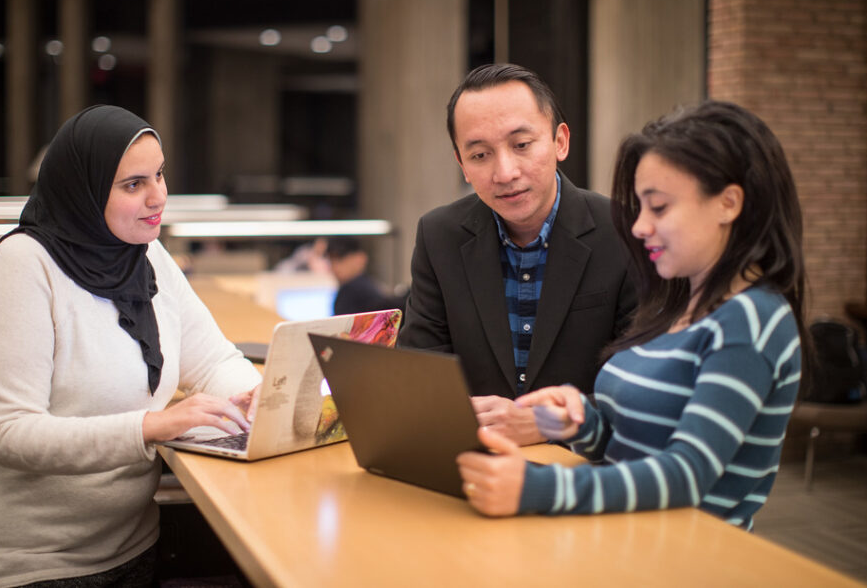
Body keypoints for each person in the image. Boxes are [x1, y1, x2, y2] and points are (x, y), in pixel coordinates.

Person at [0, 105, 263, 587]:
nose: (158, 196)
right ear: (83, 191)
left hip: (131, 546)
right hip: (25, 565)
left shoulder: (146, 255)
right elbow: (8, 432)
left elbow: (212, 360)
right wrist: (150, 426)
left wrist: (260, 401)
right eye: (133, 184)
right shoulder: (23, 266)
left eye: (159, 175)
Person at [456, 100, 809, 531]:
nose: (639, 227)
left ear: (728, 203)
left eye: (658, 207)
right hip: (627, 538)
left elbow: (686, 476)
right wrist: (571, 420)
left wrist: (539, 487)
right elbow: (626, 446)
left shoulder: (751, 320)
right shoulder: (675, 304)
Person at [398, 63, 637, 446]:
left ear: (560, 141)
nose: (505, 173)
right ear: (461, 164)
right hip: (477, 459)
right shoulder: (439, 235)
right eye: (480, 155)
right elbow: (420, 370)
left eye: (522, 145)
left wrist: (543, 423)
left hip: (585, 464)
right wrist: (454, 412)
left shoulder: (626, 231)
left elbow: (645, 387)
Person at [325, 236, 407, 315]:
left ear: (361, 258)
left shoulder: (353, 290)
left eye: (340, 259)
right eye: (331, 261)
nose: (334, 266)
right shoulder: (367, 286)